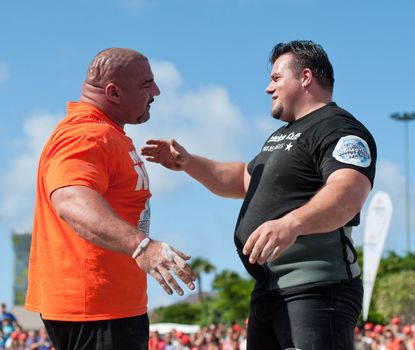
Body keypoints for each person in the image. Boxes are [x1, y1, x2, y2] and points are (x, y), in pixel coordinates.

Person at [142, 40, 377, 349]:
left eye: (276, 78)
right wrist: (188, 163)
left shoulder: (340, 129)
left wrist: (290, 224)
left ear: (306, 77)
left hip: (317, 288)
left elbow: (347, 194)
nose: (268, 88)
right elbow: (243, 179)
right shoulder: (282, 136)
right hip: (269, 291)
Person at [25, 48, 196, 349]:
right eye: (146, 84)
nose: (156, 91)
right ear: (113, 93)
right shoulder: (86, 134)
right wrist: (142, 247)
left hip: (108, 307)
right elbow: (70, 198)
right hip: (96, 309)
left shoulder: (104, 132)